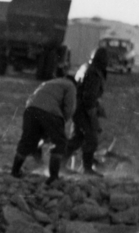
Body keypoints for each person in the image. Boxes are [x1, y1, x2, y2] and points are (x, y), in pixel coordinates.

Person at [11, 63, 76, 184]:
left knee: (28, 140)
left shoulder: (49, 83)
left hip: (30, 110)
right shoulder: (70, 85)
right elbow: (69, 108)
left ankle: (15, 171)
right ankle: (53, 176)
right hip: (50, 112)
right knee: (60, 142)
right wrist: (61, 124)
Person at [68, 45, 109, 176]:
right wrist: (94, 120)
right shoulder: (94, 73)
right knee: (91, 138)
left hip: (77, 107)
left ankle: (59, 163)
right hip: (83, 109)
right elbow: (89, 98)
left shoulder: (85, 68)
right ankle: (87, 169)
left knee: (78, 138)